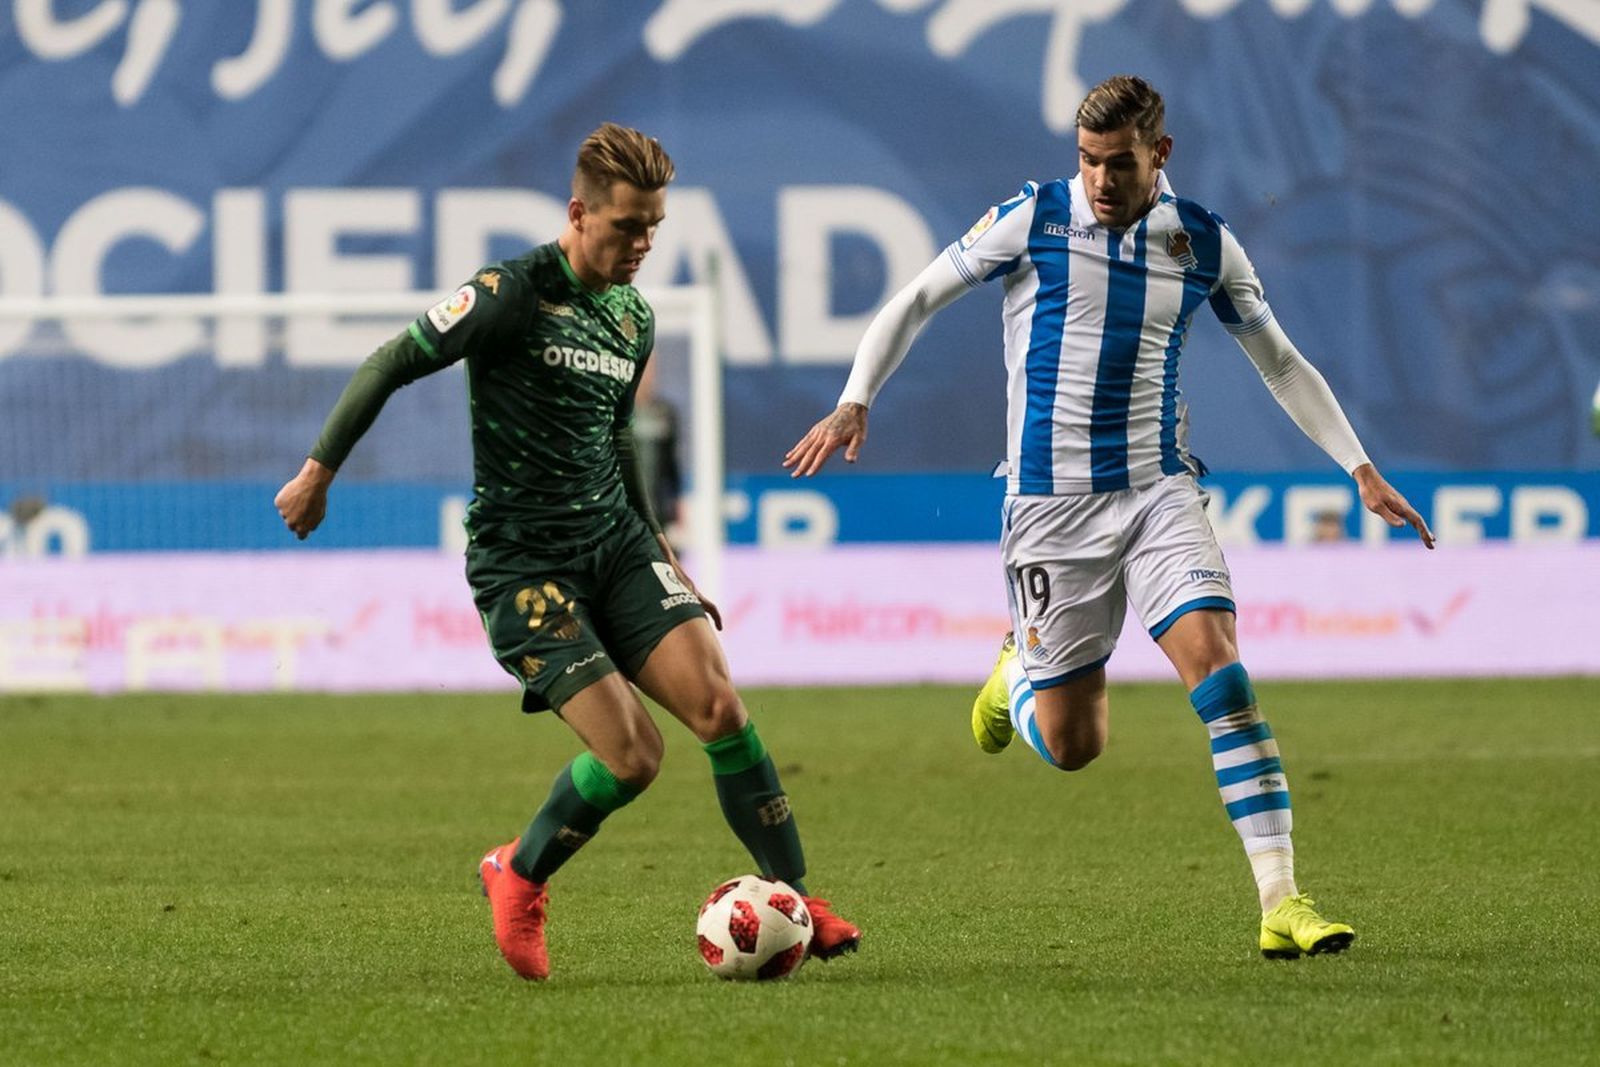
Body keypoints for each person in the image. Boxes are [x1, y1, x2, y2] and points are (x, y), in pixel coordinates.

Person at [786, 76, 1434, 959]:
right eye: (1087, 160)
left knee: (1223, 676)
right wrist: (857, 398)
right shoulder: (1033, 219)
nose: (1098, 179)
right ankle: (1017, 674)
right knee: (1074, 743)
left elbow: (1280, 363)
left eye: (1117, 162)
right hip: (1049, 510)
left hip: (1159, 493)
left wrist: (1357, 464)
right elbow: (914, 300)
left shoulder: (1201, 242)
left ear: (1158, 155)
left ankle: (1282, 899)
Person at [275, 122, 859, 980]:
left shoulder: (633, 316)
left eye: (654, 226)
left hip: (617, 544)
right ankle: (517, 871)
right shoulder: (511, 291)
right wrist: (318, 470)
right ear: (579, 212)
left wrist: (667, 554)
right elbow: (392, 359)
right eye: (628, 226)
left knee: (722, 709)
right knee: (635, 756)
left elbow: (618, 441)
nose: (642, 244)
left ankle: (796, 894)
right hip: (524, 565)